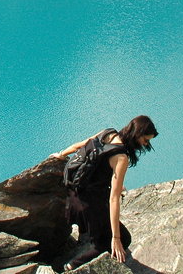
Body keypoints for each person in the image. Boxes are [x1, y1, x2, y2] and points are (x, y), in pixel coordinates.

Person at [51, 115, 157, 268]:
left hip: (73, 195)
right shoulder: (121, 157)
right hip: (88, 206)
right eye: (145, 140)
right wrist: (116, 238)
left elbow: (80, 146)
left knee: (101, 228)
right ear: (137, 134)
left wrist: (60, 155)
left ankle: (87, 234)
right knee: (123, 239)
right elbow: (113, 199)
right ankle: (73, 264)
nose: (146, 145)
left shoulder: (107, 133)